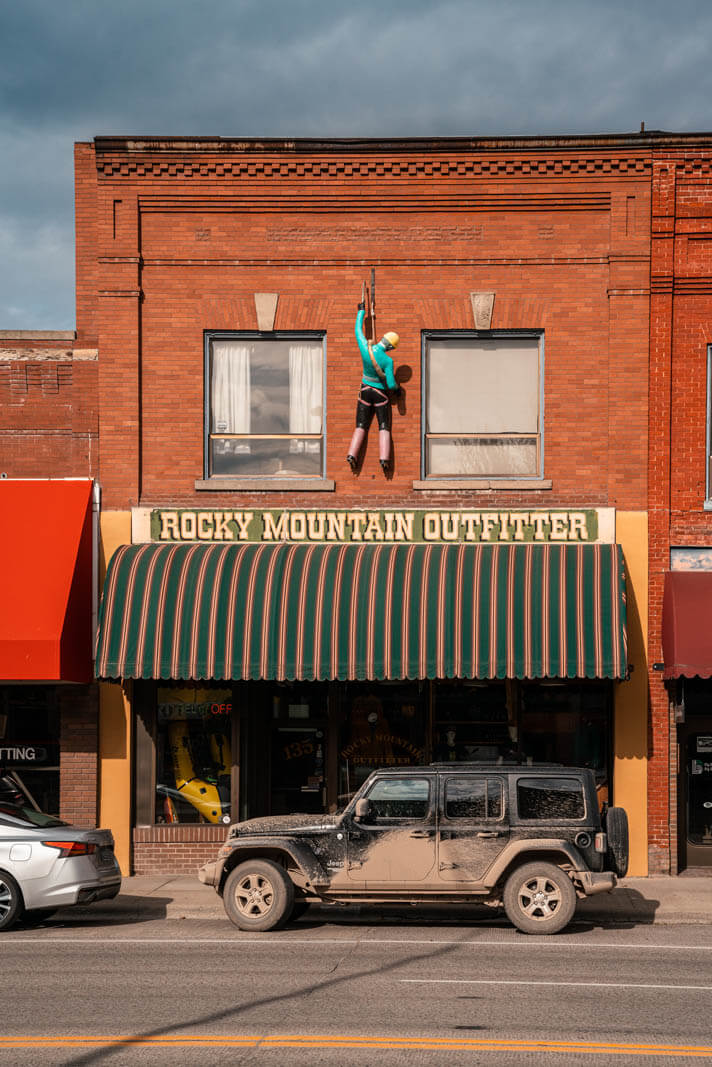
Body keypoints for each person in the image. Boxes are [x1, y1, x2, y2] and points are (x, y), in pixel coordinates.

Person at [347, 299, 401, 472]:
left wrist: (361, 312)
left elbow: (357, 331)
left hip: (364, 390)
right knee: (384, 426)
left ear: (383, 339)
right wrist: (398, 390)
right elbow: (391, 384)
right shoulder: (387, 360)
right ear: (391, 347)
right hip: (380, 394)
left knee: (361, 425)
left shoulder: (365, 347)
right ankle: (384, 459)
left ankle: (352, 454)